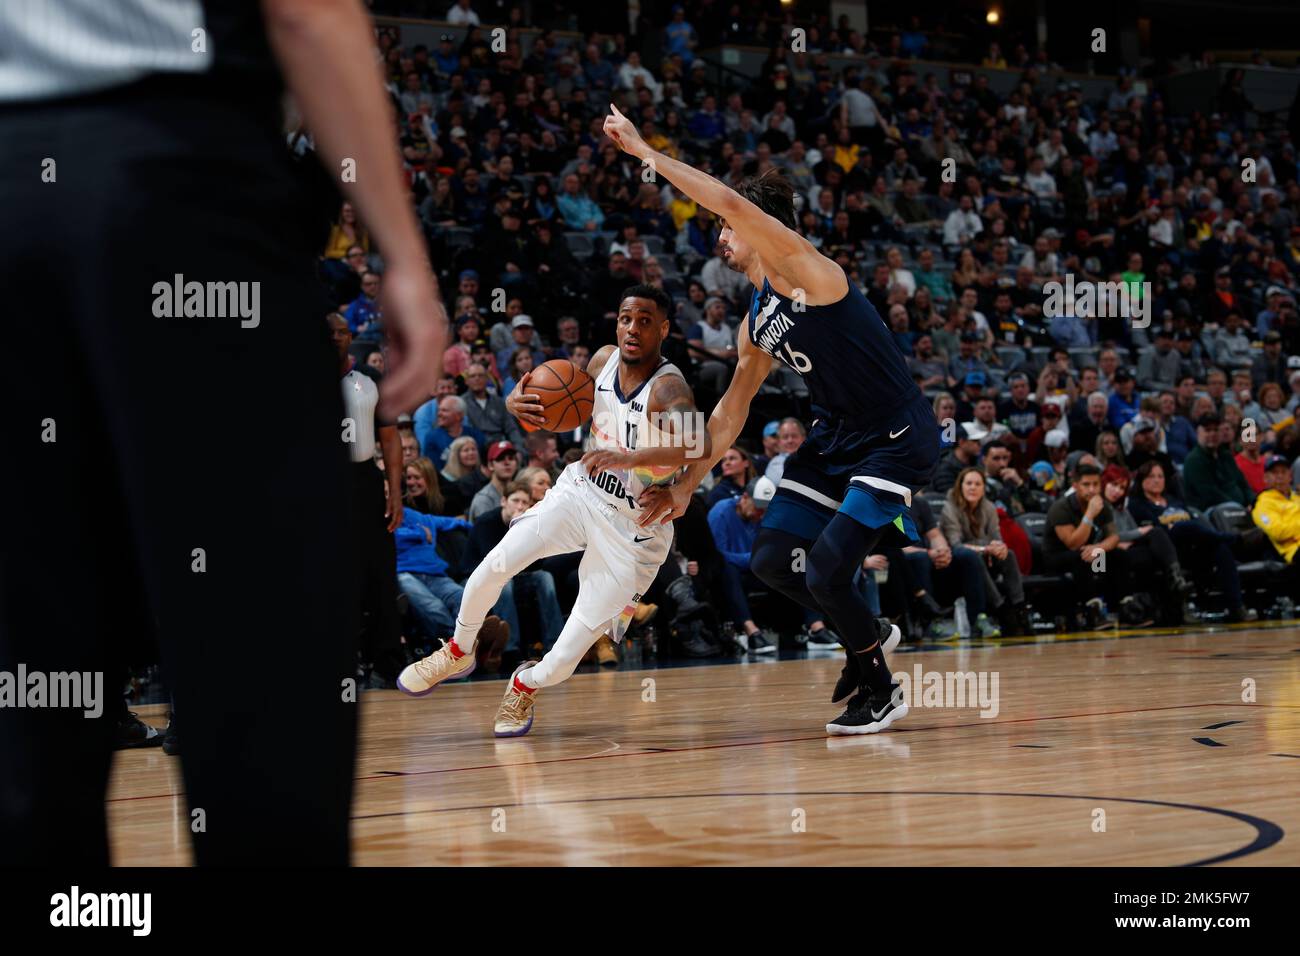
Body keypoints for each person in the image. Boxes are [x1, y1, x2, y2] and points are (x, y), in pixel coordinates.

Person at [1, 0, 447, 866]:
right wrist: (400, 251)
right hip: (167, 179)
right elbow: (305, 12)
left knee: (29, 687)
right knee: (262, 670)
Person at [605, 109, 936, 736]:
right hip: (836, 438)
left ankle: (880, 688)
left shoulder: (807, 270)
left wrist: (645, 151)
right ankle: (868, 631)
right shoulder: (755, 321)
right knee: (772, 559)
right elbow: (731, 413)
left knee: (828, 569)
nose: (719, 236)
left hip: (893, 437)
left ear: (757, 227)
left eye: (726, 227)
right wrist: (684, 486)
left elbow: (728, 198)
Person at [398, 286, 710, 738]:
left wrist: (632, 460)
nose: (632, 328)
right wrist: (513, 401)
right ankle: (458, 649)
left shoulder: (668, 387)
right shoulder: (602, 361)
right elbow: (558, 397)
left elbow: (697, 442)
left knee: (565, 658)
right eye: (626, 318)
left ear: (663, 328)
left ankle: (525, 682)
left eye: (645, 320)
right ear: (615, 323)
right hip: (581, 492)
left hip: (634, 529)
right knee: (494, 565)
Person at [1129, 461, 1256, 622]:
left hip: (1191, 547)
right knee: (1184, 526)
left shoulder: (1174, 500)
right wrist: (1174, 526)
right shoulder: (1137, 505)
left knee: (1220, 548)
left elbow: (1193, 519)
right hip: (1167, 551)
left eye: (1160, 476)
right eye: (1151, 476)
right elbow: (1154, 530)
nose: (1157, 480)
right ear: (1141, 480)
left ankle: (1236, 608)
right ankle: (1235, 539)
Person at [939, 468, 1028, 636]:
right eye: (969, 483)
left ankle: (1019, 607)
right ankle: (1000, 607)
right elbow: (956, 545)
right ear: (960, 486)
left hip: (983, 555)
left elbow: (996, 538)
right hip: (958, 563)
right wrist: (985, 547)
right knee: (975, 557)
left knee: (1008, 554)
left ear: (983, 488)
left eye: (977, 484)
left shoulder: (988, 507)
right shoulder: (949, 507)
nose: (973, 488)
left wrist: (999, 547)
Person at [1041, 463, 1126, 628]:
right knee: (1082, 557)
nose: (1092, 489)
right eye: (1086, 484)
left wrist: (1099, 548)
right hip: (1056, 559)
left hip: (1088, 554)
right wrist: (1089, 514)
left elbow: (1114, 537)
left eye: (1095, 484)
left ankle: (1122, 607)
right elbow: (1073, 543)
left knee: (1118, 556)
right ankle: (1092, 611)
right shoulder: (1061, 508)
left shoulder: (1103, 506)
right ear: (1075, 486)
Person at [707, 478, 780, 654]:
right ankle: (751, 631)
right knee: (728, 568)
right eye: (758, 508)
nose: (760, 515)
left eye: (765, 511)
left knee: (791, 568)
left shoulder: (763, 518)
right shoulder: (721, 511)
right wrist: (752, 558)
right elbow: (718, 555)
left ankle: (812, 628)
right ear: (745, 497)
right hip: (724, 575)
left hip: (753, 571)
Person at [1182, 413, 1254, 511]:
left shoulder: (1226, 455)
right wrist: (1240, 507)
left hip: (1240, 509)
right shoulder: (1194, 460)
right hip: (1211, 512)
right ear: (1198, 433)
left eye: (1216, 430)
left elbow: (1242, 483)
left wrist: (1253, 502)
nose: (1212, 434)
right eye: (1207, 430)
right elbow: (1210, 495)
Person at [468, 440, 521, 520]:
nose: (507, 462)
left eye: (511, 458)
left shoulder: (521, 494)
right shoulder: (483, 499)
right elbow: (486, 531)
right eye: (500, 459)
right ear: (490, 465)